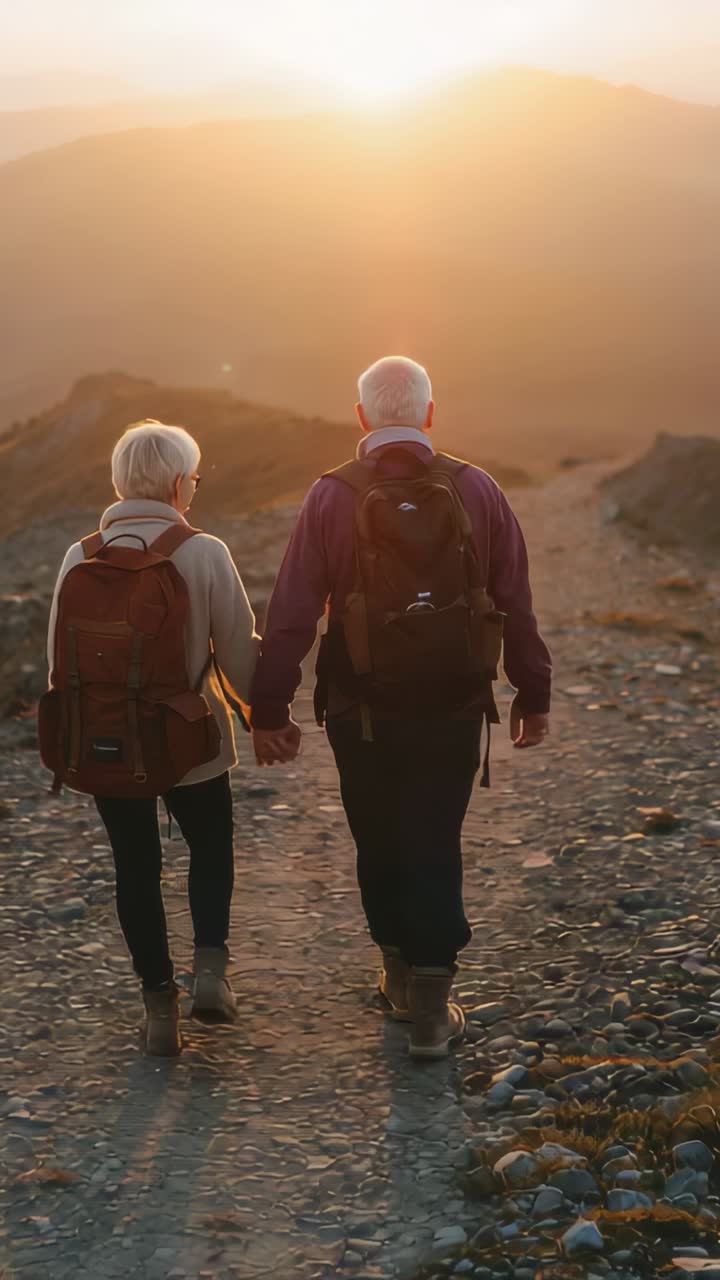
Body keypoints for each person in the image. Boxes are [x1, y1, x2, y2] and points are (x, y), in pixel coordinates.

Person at [250, 357, 551, 1059]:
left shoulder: (331, 495)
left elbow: (292, 611)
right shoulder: (477, 488)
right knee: (435, 838)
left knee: (378, 834)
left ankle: (396, 971)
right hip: (455, 701)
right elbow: (516, 601)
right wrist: (531, 693)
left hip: (362, 709)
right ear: (429, 414)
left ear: (361, 419)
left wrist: (269, 709)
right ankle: (432, 1005)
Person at [46, 420, 259, 1056]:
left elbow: (62, 665)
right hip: (190, 742)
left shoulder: (79, 555)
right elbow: (240, 655)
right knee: (211, 847)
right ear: (175, 484)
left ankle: (159, 1006)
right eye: (192, 478)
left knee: (135, 868)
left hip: (109, 742)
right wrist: (266, 713)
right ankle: (212, 976)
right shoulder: (204, 551)